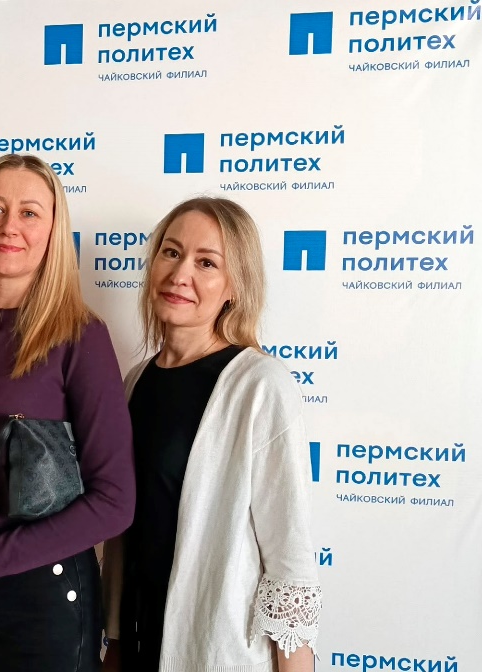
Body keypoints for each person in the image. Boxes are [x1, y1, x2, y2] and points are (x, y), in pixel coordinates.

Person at [0, 154, 136, 672]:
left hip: (40, 603)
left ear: (54, 230)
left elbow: (114, 502)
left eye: (29, 212)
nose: (9, 226)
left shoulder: (80, 337)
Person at [100, 197, 321, 672]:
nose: (180, 274)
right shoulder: (134, 382)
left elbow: (291, 560)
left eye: (206, 263)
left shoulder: (260, 386)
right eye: (171, 252)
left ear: (234, 286)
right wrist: (113, 642)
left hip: (216, 651)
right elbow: (125, 534)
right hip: (138, 643)